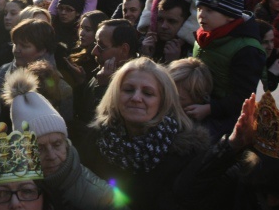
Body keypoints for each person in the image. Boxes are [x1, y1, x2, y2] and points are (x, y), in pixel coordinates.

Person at [88, 57, 210, 210]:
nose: (136, 98)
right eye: (128, 90)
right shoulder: (96, 139)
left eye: (148, 93)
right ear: (115, 95)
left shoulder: (186, 154)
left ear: (163, 101)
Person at [3, 68, 115, 210]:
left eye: (57, 144)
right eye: (39, 148)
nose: (51, 156)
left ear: (66, 143)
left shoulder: (100, 197)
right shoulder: (10, 195)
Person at [192, 0, 265, 140]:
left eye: (209, 10)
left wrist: (210, 109)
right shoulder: (205, 36)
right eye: (199, 8)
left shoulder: (247, 49)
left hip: (229, 116)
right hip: (204, 103)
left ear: (230, 15)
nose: (201, 15)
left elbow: (245, 95)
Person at [140, 0, 192, 64]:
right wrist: (145, 57)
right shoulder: (146, 45)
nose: (164, 26)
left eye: (172, 21)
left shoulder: (192, 51)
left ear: (185, 23)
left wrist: (174, 63)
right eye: (160, 20)